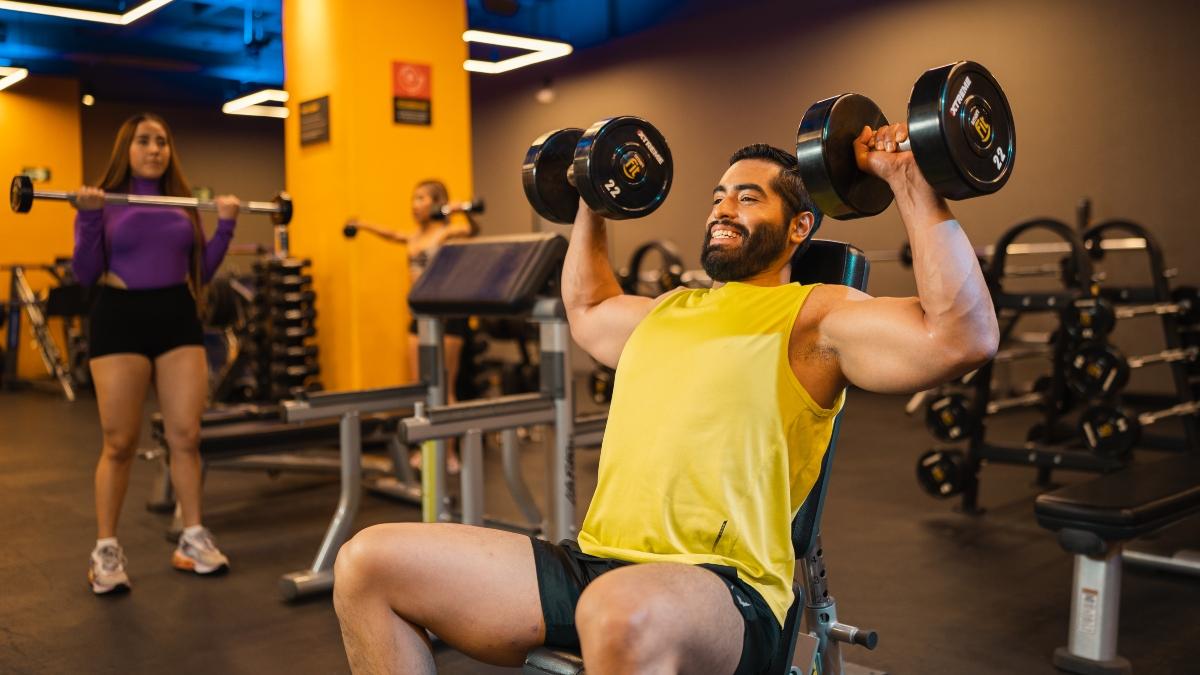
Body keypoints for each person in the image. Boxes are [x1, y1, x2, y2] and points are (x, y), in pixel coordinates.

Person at [331, 123, 999, 674]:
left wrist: (911, 182)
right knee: (368, 564)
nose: (722, 208)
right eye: (717, 196)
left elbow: (959, 336)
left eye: (747, 198)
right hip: (593, 563)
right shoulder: (666, 310)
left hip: (724, 589)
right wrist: (594, 196)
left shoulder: (814, 317)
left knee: (618, 608)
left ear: (798, 228)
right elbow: (588, 304)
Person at [73, 113, 238, 595]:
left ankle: (191, 537)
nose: (154, 149)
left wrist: (224, 226)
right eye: (144, 141)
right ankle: (105, 548)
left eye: (162, 141)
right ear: (126, 148)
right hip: (120, 315)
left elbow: (202, 271)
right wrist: (85, 215)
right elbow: (85, 273)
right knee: (119, 442)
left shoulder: (181, 204)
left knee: (186, 435)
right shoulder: (104, 203)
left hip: (176, 316)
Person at [346, 180, 480, 473]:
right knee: (420, 388)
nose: (414, 204)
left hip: (447, 317)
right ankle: (427, 449)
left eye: (421, 198)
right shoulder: (413, 237)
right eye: (413, 198)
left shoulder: (448, 233)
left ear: (434, 204)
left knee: (446, 387)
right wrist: (363, 224)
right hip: (418, 316)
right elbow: (391, 234)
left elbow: (472, 230)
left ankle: (450, 453)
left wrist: (461, 210)